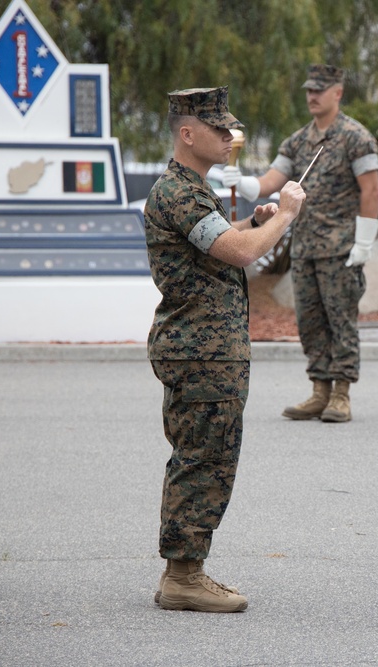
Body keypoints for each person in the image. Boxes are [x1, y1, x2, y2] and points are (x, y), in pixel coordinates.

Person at [144, 86, 306, 612]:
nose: (230, 137)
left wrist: (255, 222)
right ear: (187, 134)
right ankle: (184, 576)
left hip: (206, 346)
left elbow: (219, 241)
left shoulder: (190, 189)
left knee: (203, 455)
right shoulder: (180, 192)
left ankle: (185, 569)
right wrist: (284, 217)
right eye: (219, 129)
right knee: (204, 459)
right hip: (201, 349)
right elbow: (237, 255)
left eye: (230, 128)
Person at [221, 64, 378, 423]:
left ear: (337, 93)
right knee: (309, 321)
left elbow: (371, 190)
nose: (312, 96)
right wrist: (245, 183)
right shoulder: (297, 140)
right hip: (306, 248)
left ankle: (341, 393)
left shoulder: (357, 137)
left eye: (319, 90)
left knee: (340, 320)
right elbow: (271, 182)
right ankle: (319, 390)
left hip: (341, 248)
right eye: (309, 90)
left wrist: (364, 242)